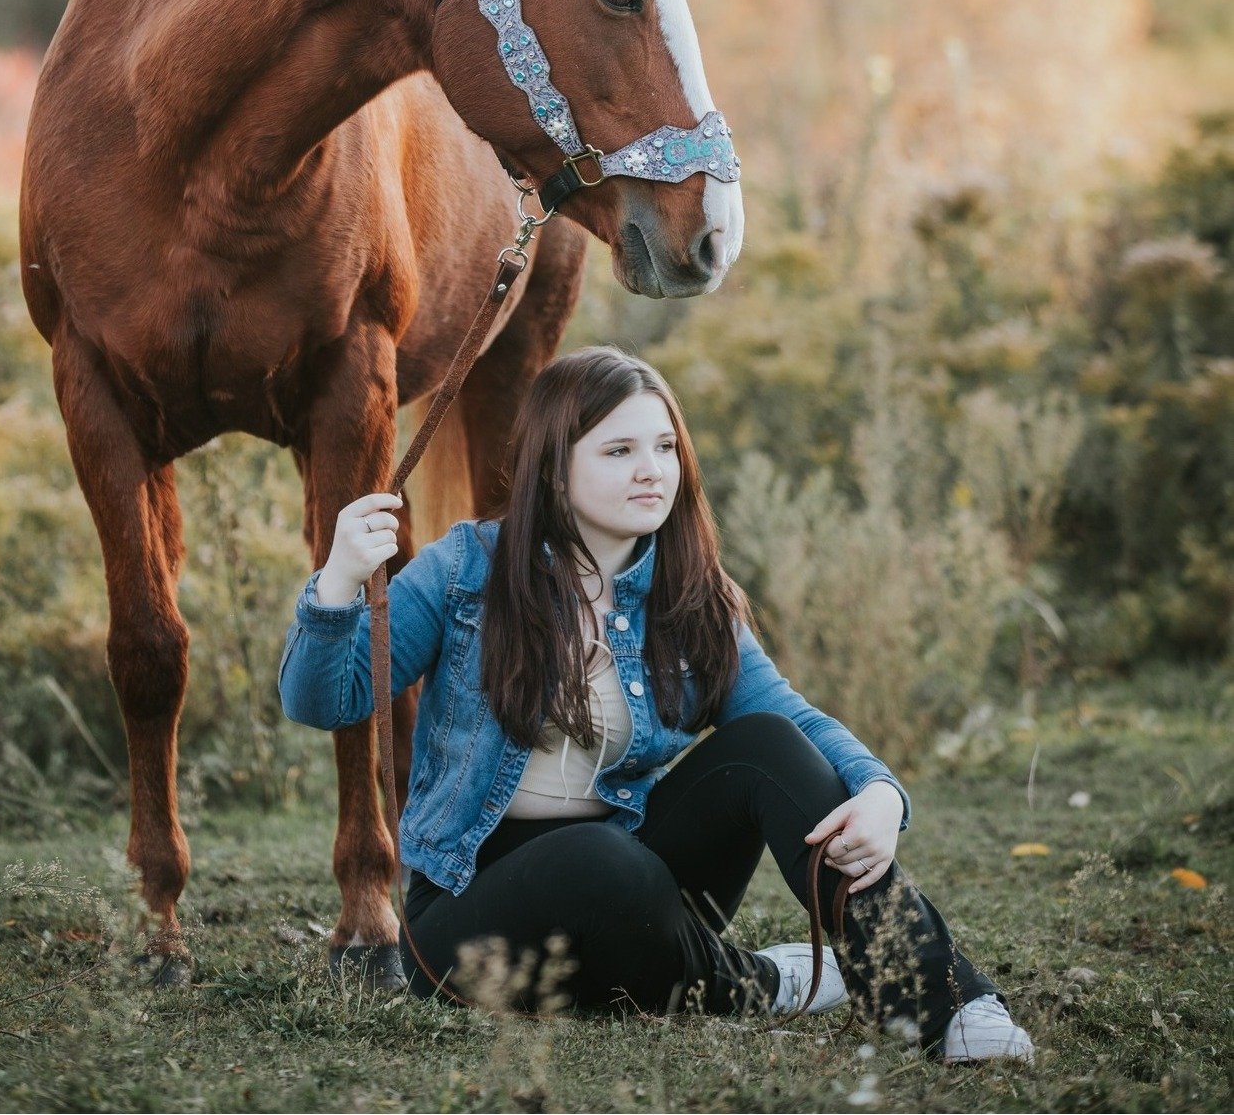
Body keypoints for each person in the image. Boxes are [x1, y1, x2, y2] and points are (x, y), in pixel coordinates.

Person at [279, 346, 1033, 1060]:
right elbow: (325, 699)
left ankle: (945, 1002)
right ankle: (760, 981)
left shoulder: (689, 596)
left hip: (636, 891)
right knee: (595, 855)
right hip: (471, 918)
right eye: (619, 451)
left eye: (665, 448)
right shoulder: (467, 569)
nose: (653, 471)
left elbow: (791, 719)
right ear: (553, 467)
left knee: (764, 745)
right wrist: (340, 580)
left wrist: (878, 794)